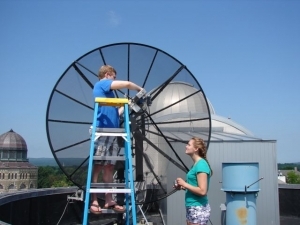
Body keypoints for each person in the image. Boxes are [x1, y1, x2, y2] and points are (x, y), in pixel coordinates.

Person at [89, 65, 143, 214]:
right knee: (98, 166)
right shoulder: (101, 84)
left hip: (113, 132)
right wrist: (139, 89)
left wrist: (129, 104)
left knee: (109, 167)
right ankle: (94, 200)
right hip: (102, 131)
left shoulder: (110, 96)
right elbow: (126, 84)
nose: (114, 79)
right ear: (107, 75)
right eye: (113, 76)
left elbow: (116, 113)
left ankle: (109, 200)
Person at [175, 137, 212, 225]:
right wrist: (183, 186)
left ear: (196, 149)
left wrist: (184, 183)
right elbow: (195, 187)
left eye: (188, 144)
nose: (186, 146)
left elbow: (202, 191)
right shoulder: (195, 165)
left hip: (198, 207)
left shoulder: (201, 165)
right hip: (192, 206)